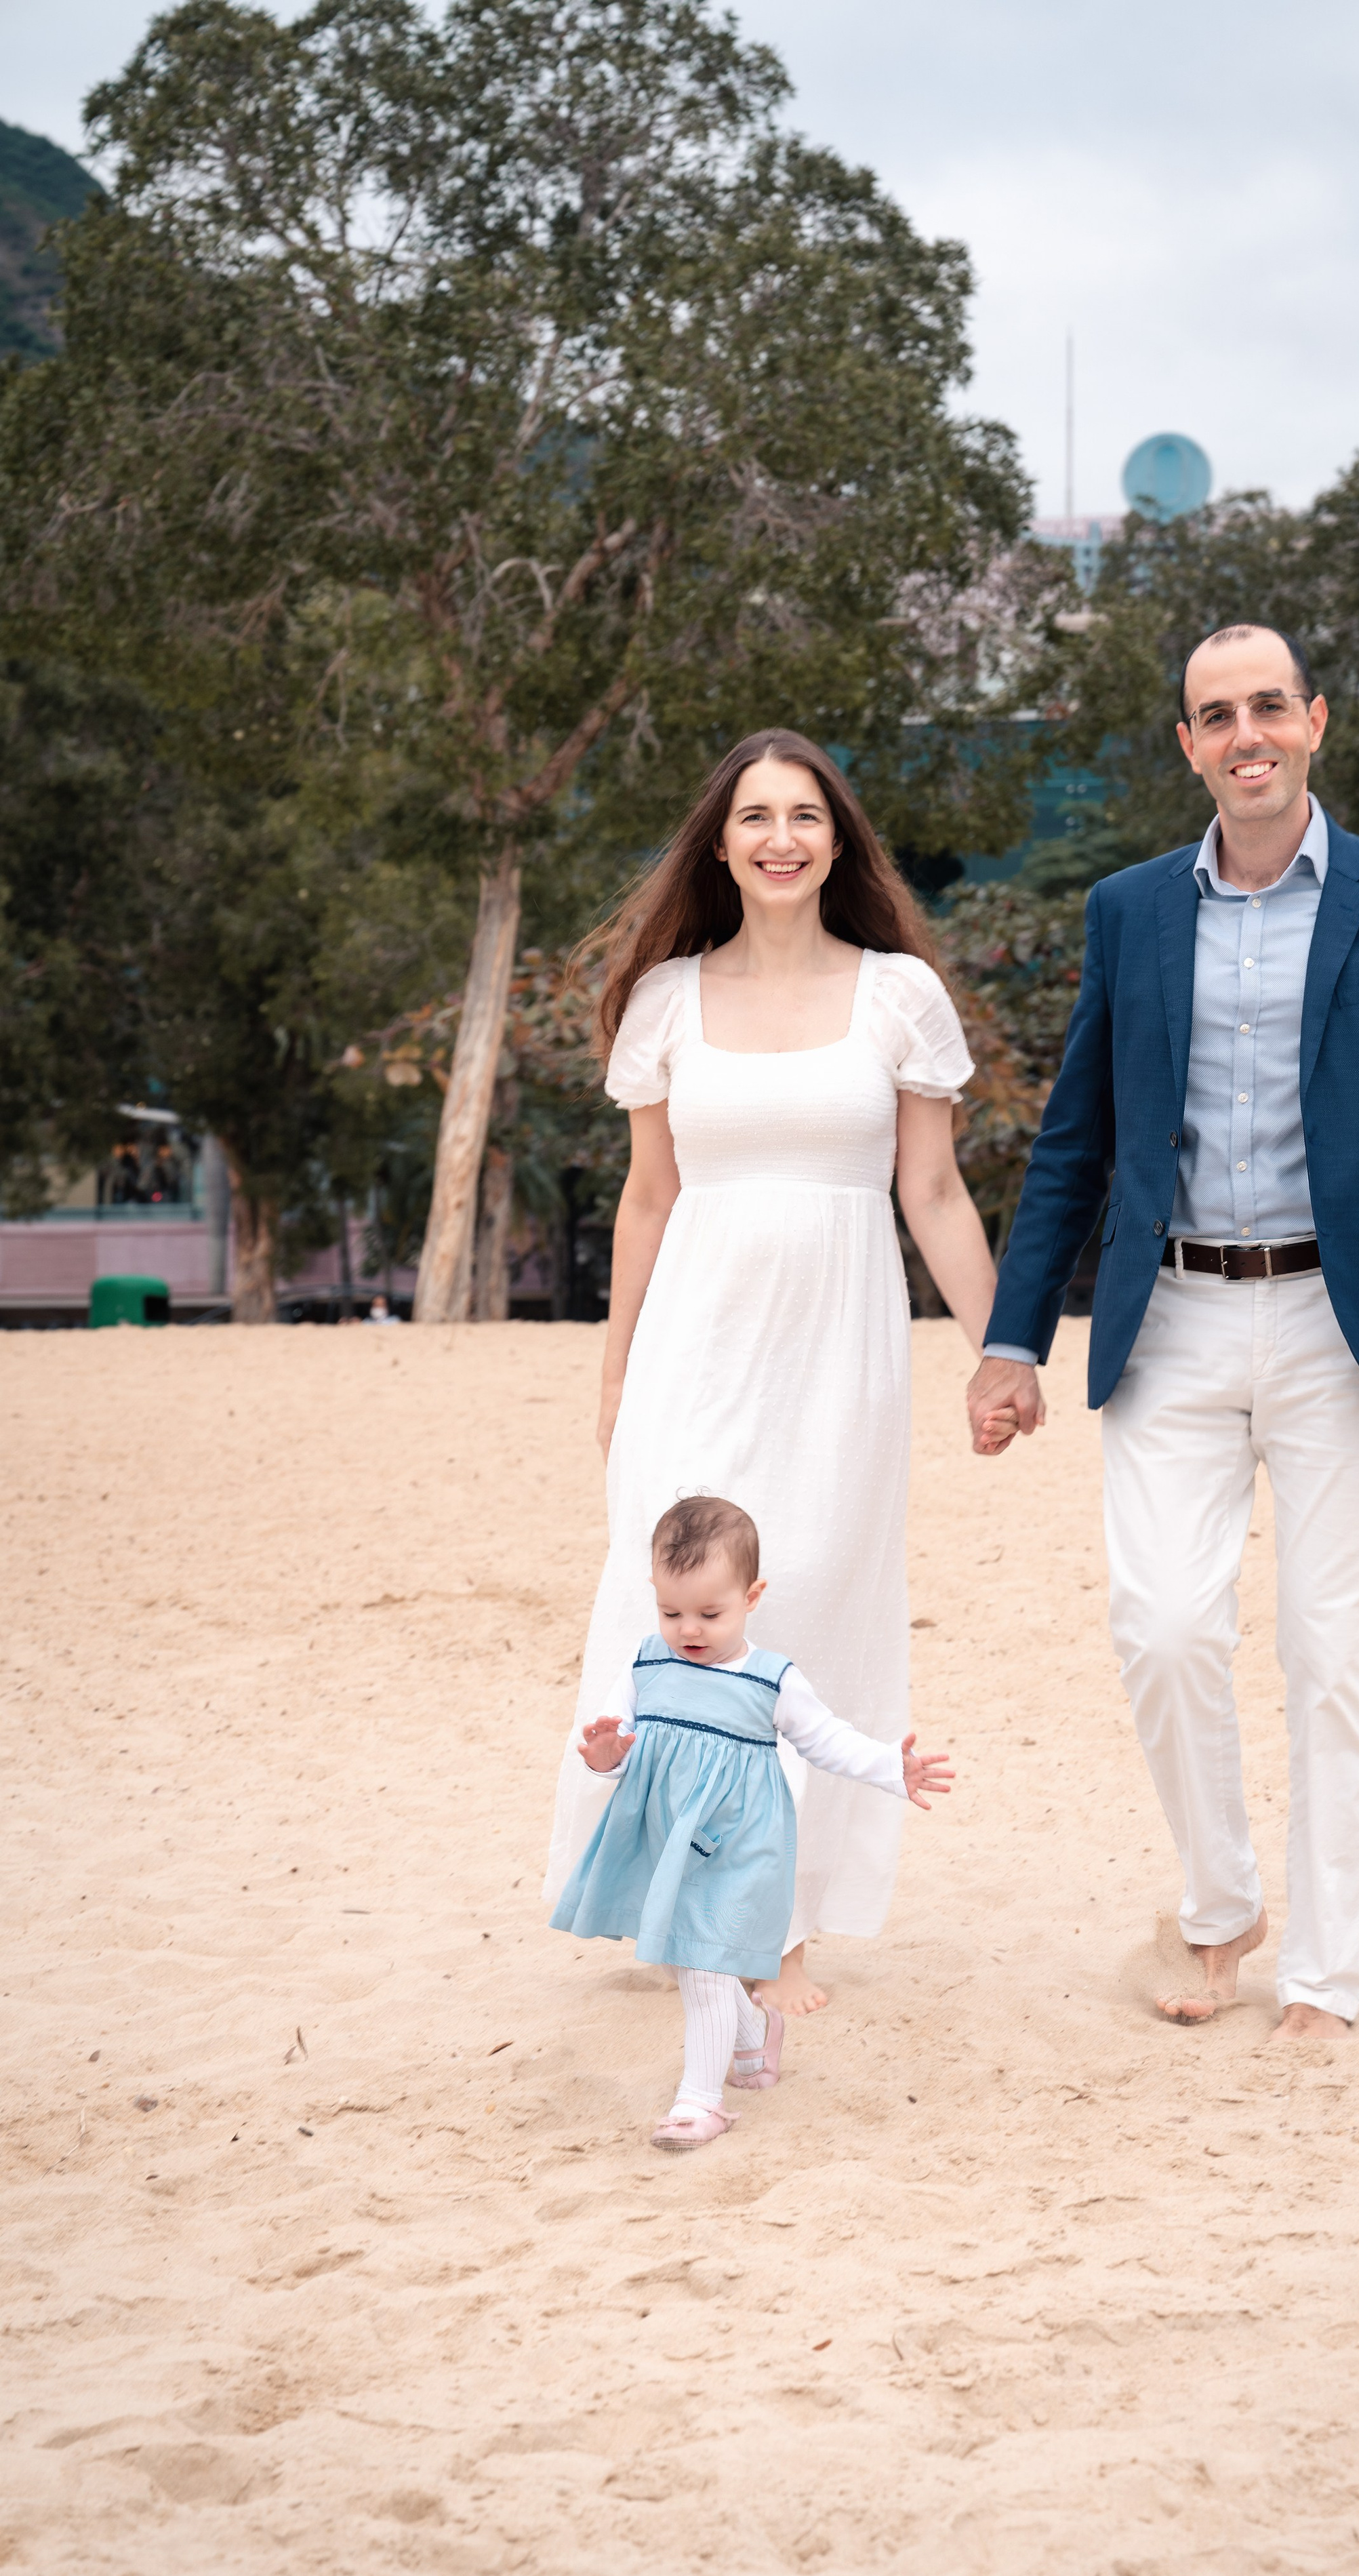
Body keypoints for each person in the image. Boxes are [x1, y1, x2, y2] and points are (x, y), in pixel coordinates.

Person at [967, 624, 1359, 2040]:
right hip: (1170, 1318)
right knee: (1161, 1627)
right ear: (1187, 745)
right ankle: (1220, 1910)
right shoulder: (1130, 911)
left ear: (1314, 720)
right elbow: (1075, 1138)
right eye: (1215, 716)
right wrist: (1013, 1338)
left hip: (1352, 1326)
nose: (1246, 736)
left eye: (1267, 706)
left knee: (1334, 1657)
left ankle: (1323, 1976)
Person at [542, 728, 996, 2015]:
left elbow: (933, 1191)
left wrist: (1002, 1351)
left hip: (841, 1359)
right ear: (722, 844)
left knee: (805, 1620)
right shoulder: (665, 1002)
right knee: (680, 1620)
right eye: (755, 817)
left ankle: (776, 1922)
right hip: (692, 1347)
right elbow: (647, 1200)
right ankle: (690, 1903)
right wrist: (615, 1377)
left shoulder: (901, 994)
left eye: (805, 816)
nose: (781, 838)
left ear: (838, 842)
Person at [550, 1496, 952, 2149]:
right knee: (683, 1960)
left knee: (706, 1966)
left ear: (752, 1596)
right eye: (672, 1612)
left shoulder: (770, 1680)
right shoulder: (646, 1663)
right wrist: (603, 1756)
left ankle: (698, 2102)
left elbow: (826, 1739)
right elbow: (613, 1743)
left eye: (710, 1614)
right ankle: (754, 2036)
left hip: (739, 1845)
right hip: (665, 1840)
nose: (689, 1629)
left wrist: (889, 1766)